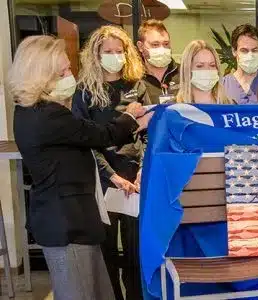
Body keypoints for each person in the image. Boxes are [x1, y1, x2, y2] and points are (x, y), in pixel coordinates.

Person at [9, 35, 151, 300]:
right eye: (62, 72)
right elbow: (99, 135)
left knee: (97, 291)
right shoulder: (49, 115)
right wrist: (132, 117)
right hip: (67, 226)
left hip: (72, 222)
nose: (68, 76)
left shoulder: (29, 111)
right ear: (41, 75)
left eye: (68, 70)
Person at [71, 25, 148, 300]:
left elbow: (150, 132)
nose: (114, 56)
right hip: (103, 180)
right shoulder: (84, 92)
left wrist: (142, 170)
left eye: (119, 51)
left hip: (136, 179)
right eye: (108, 52)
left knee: (135, 251)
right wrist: (111, 176)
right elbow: (84, 140)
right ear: (96, 54)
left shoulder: (136, 86)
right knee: (106, 252)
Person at [137, 19, 180, 104]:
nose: (162, 49)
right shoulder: (134, 78)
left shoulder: (184, 73)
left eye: (166, 44)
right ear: (140, 46)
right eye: (155, 45)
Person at [176, 40, 231, 104]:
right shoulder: (171, 108)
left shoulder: (229, 105)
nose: (207, 70)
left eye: (212, 65)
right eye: (200, 66)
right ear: (187, 70)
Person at [221, 24, 258, 104]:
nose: (250, 55)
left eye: (255, 50)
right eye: (244, 50)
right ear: (234, 51)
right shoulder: (222, 86)